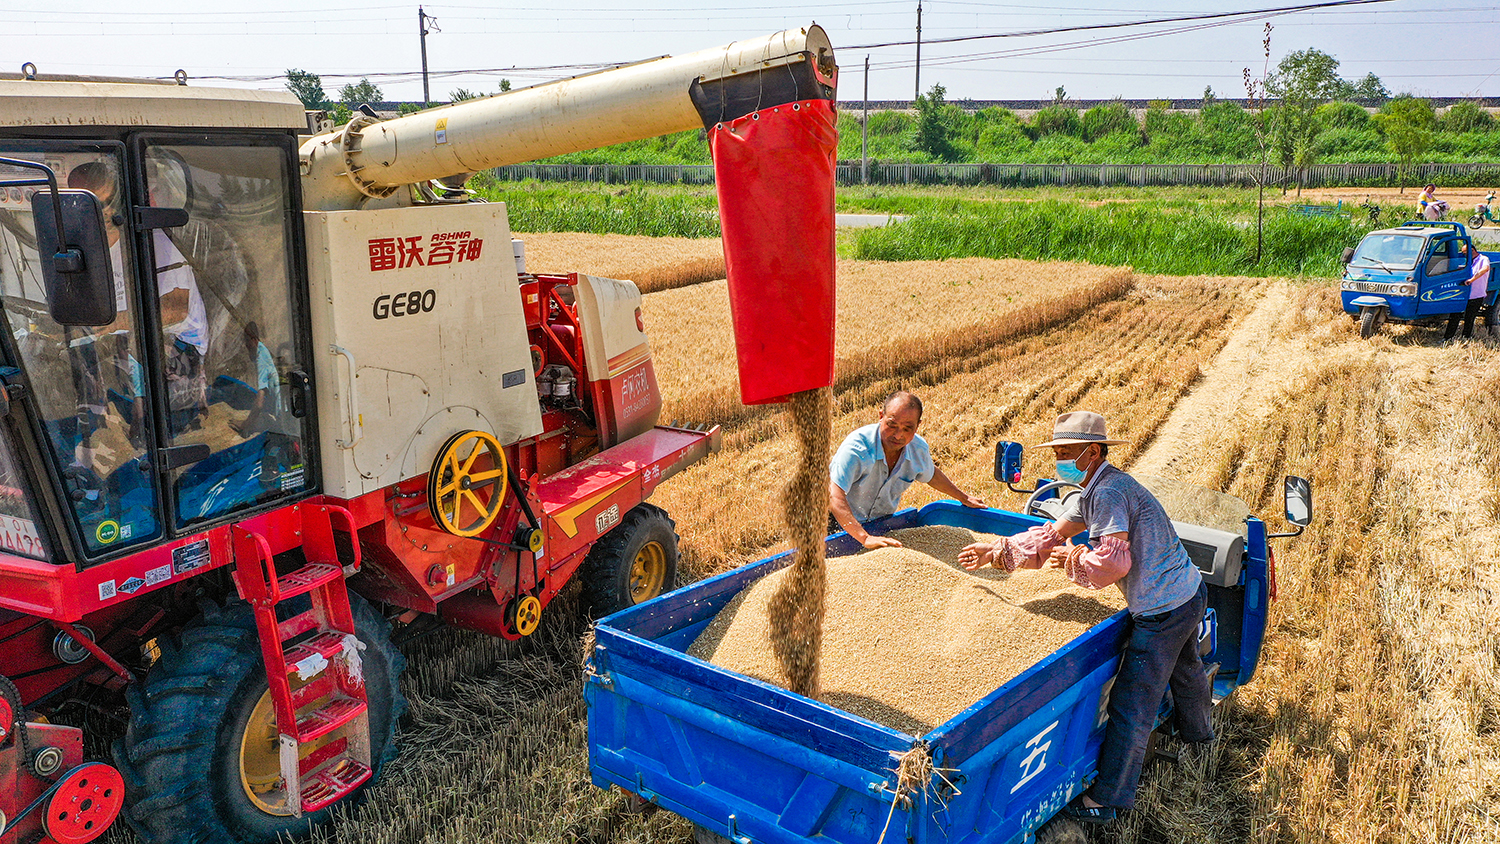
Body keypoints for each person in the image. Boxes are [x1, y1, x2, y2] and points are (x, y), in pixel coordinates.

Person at [956, 411, 1213, 825]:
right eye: (1056, 452)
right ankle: (1200, 735)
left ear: (1092, 452)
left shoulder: (1109, 494)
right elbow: (1049, 535)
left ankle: (1109, 799)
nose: (1058, 460)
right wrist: (998, 551)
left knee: (1132, 702)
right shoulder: (1091, 491)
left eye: (1065, 453)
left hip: (1162, 608)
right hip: (1188, 591)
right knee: (1185, 670)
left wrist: (1072, 559)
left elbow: (1114, 562)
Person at [69, 162, 209, 435]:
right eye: (94, 206)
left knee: (123, 346)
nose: (107, 211)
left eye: (111, 202)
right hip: (128, 338)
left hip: (179, 347)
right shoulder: (85, 247)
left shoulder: (153, 242)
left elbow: (176, 310)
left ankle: (144, 428)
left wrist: (111, 323)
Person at [828, 390, 986, 549]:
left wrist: (963, 497)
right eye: (892, 425)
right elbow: (834, 494)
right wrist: (865, 538)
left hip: (879, 525)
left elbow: (931, 474)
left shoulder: (917, 449)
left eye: (907, 428)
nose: (898, 435)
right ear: (881, 416)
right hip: (833, 521)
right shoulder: (857, 448)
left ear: (918, 426)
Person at [1444, 241, 1492, 341]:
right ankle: (1448, 338)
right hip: (1463, 294)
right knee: (1455, 316)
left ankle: (1466, 338)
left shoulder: (1483, 259)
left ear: (1472, 250)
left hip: (1476, 294)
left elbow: (1485, 269)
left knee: (1469, 318)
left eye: (1465, 253)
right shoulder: (1468, 262)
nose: (1464, 255)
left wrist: (1472, 280)